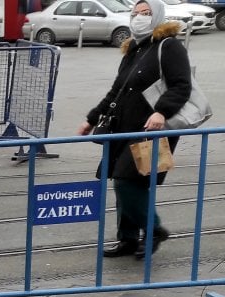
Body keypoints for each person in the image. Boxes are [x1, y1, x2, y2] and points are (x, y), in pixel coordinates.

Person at [80, 0, 190, 259]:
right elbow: (116, 90)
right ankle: (128, 239)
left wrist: (161, 111)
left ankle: (154, 230)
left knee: (125, 181)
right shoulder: (133, 48)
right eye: (136, 13)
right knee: (130, 182)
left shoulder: (169, 46)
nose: (139, 18)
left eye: (146, 13)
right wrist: (92, 118)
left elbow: (181, 85)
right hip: (124, 127)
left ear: (158, 16)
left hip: (152, 128)